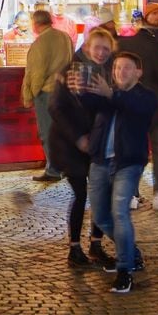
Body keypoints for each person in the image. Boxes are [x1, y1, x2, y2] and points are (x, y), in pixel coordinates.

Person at [79, 50, 158, 295]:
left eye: (125, 68)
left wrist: (110, 94)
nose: (119, 72)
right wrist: (79, 87)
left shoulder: (146, 96)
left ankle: (125, 271)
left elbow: (136, 108)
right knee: (101, 217)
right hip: (101, 161)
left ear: (138, 72)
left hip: (128, 163)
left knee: (120, 212)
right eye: (116, 68)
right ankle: (132, 254)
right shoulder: (108, 93)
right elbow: (87, 103)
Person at [51, 26, 115, 269]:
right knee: (81, 193)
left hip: (97, 143)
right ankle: (75, 247)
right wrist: (77, 138)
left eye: (106, 49)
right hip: (70, 144)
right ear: (87, 46)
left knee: (99, 193)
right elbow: (56, 108)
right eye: (97, 47)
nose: (101, 53)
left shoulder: (108, 73)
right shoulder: (70, 71)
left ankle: (96, 244)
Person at [117, 4, 158, 209]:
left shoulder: (123, 43)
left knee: (131, 148)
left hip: (131, 102)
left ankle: (131, 194)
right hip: (154, 101)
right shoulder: (156, 44)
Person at [21, 10, 73, 183]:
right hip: (65, 91)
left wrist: (31, 95)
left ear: (35, 24)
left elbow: (36, 73)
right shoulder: (65, 37)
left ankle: (53, 169)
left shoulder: (41, 42)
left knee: (47, 131)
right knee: (63, 130)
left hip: (47, 92)